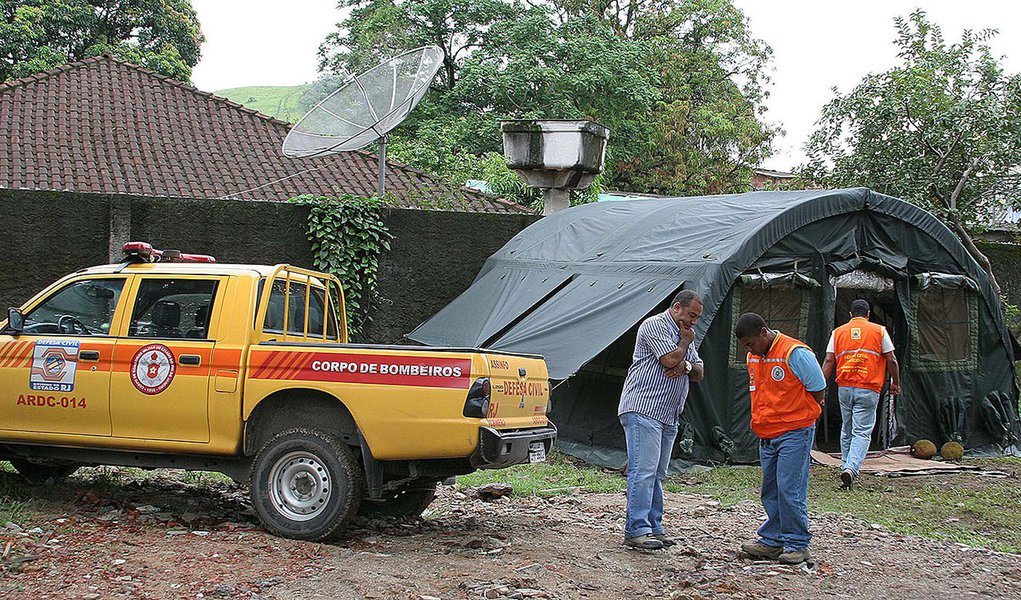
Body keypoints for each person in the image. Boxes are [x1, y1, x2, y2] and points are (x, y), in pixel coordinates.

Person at [733, 312, 825, 564]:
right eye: (745, 346)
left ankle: (797, 543)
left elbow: (818, 387)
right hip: (767, 434)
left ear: (763, 333)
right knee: (771, 490)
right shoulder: (754, 357)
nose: (749, 349)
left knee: (789, 489)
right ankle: (773, 540)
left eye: (751, 343)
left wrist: (802, 411)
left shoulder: (794, 353)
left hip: (794, 432)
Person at [618, 290, 704, 550]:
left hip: (668, 413)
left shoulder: (685, 333)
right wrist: (684, 345)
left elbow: (699, 371)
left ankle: (654, 526)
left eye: (697, 318)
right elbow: (669, 359)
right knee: (643, 471)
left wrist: (686, 366)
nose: (693, 322)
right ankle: (636, 529)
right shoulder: (655, 325)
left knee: (657, 474)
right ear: (677, 307)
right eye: (691, 315)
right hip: (644, 407)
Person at [820, 299, 901, 489]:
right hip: (868, 388)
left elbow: (829, 361)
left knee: (847, 429)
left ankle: (845, 466)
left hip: (844, 388)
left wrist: (820, 389)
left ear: (850, 315)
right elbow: (892, 359)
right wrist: (895, 383)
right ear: (868, 314)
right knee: (862, 432)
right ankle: (851, 468)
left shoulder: (838, 332)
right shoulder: (879, 331)